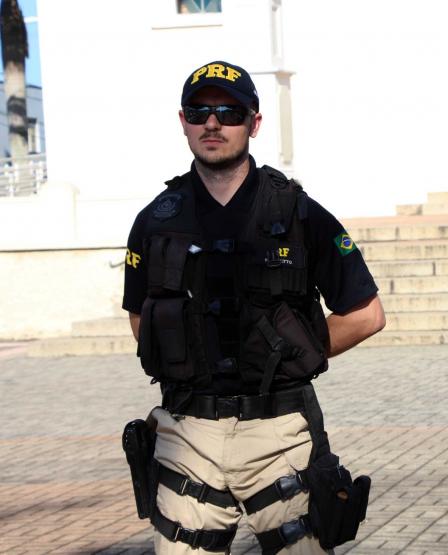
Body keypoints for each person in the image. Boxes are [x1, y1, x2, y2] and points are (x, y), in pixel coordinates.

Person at [122, 60, 385, 554]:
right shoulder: (155, 221)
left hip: (279, 434)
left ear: (254, 122)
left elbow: (366, 314)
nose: (213, 123)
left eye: (229, 111)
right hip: (187, 435)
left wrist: (294, 354)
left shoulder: (301, 214)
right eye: (199, 112)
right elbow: (142, 320)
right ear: (183, 121)